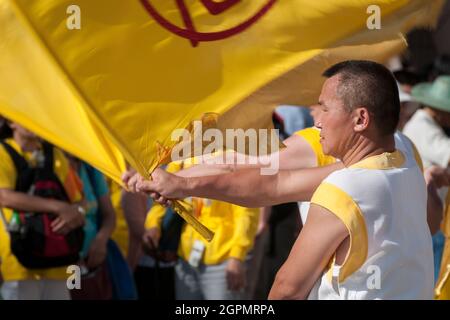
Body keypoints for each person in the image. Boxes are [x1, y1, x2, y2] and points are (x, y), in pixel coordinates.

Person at [126, 60, 434, 299]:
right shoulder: (406, 153)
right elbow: (249, 167)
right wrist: (174, 178)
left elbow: (287, 286)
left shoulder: (344, 186)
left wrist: (179, 181)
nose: (317, 120)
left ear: (360, 118)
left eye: (324, 108)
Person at [145, 160, 260, 300]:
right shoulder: (182, 154)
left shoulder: (233, 156)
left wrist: (237, 257)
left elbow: (246, 214)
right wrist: (153, 227)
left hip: (222, 260)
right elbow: (161, 195)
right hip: (185, 258)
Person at [0, 122, 85, 300]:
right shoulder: (2, 153)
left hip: (59, 263)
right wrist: (58, 207)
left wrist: (76, 212)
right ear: (10, 121)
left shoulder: (55, 155)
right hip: (18, 265)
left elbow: (79, 201)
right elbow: (4, 196)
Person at [403, 75, 450, 294]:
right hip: (429, 216)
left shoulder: (423, 123)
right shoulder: (424, 126)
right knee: (434, 278)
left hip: (428, 214)